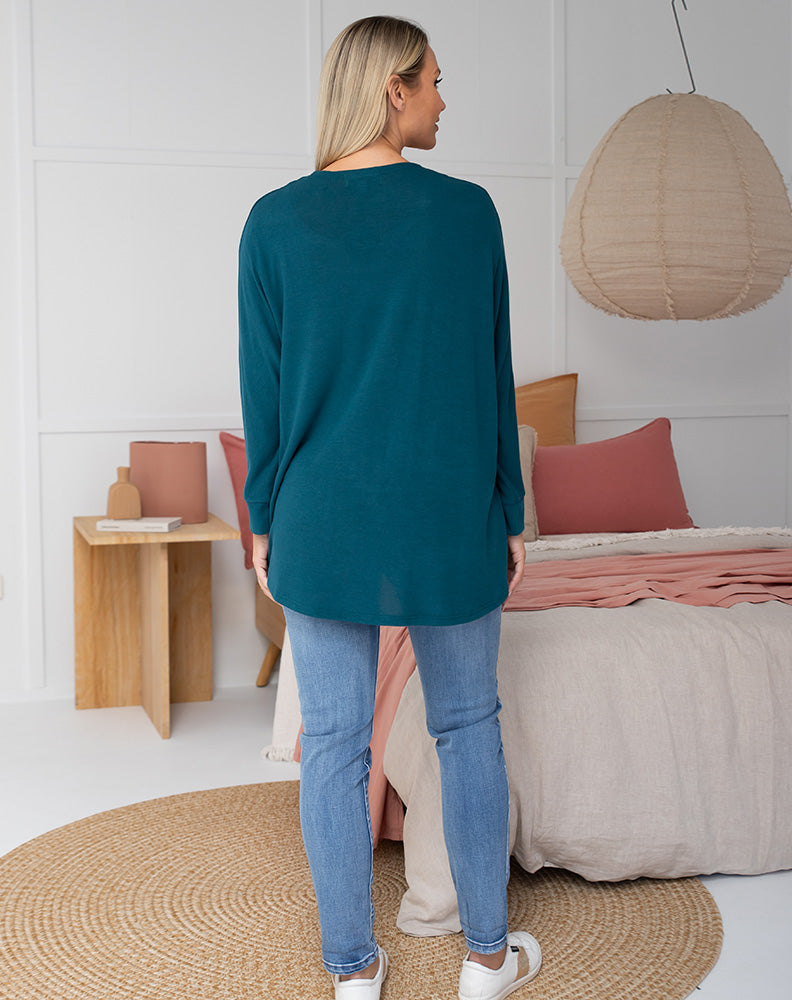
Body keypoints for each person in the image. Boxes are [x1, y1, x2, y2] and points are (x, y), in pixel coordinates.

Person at [238, 15, 542, 1000]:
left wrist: (262, 516)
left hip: (321, 522)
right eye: (435, 81)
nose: (445, 100)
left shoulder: (273, 222)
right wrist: (510, 510)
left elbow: (265, 396)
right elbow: (492, 379)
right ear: (392, 89)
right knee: (469, 727)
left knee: (333, 744)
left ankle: (352, 974)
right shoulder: (468, 214)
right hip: (448, 518)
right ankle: (487, 960)